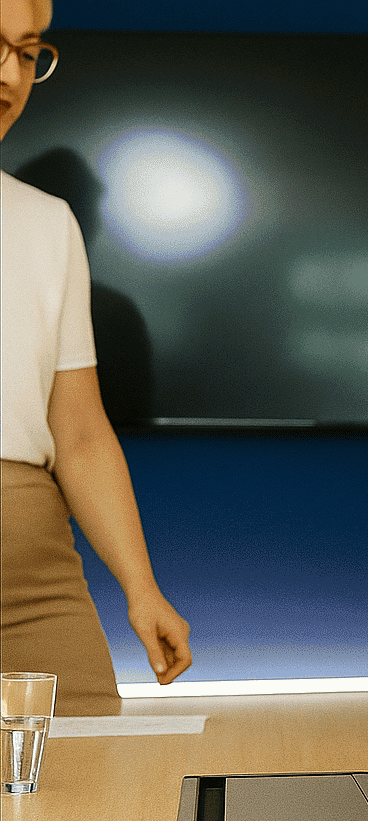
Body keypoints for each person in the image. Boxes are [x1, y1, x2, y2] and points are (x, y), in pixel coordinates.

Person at [1, 0, 191, 700]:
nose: (10, 74)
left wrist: (142, 588)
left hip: (34, 576)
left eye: (27, 53)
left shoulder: (48, 223)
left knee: (88, 759)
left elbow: (79, 431)